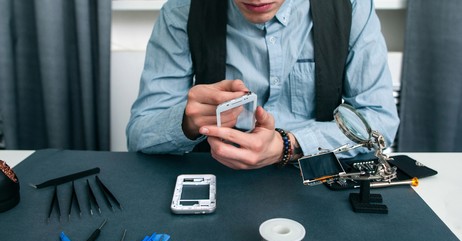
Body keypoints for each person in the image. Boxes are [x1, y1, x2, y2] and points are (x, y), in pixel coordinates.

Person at [126, 0, 399, 170]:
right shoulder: (181, 12)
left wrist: (289, 145)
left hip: (319, 182)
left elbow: (380, 120)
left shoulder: (350, 6)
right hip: (217, 179)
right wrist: (186, 123)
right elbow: (139, 135)